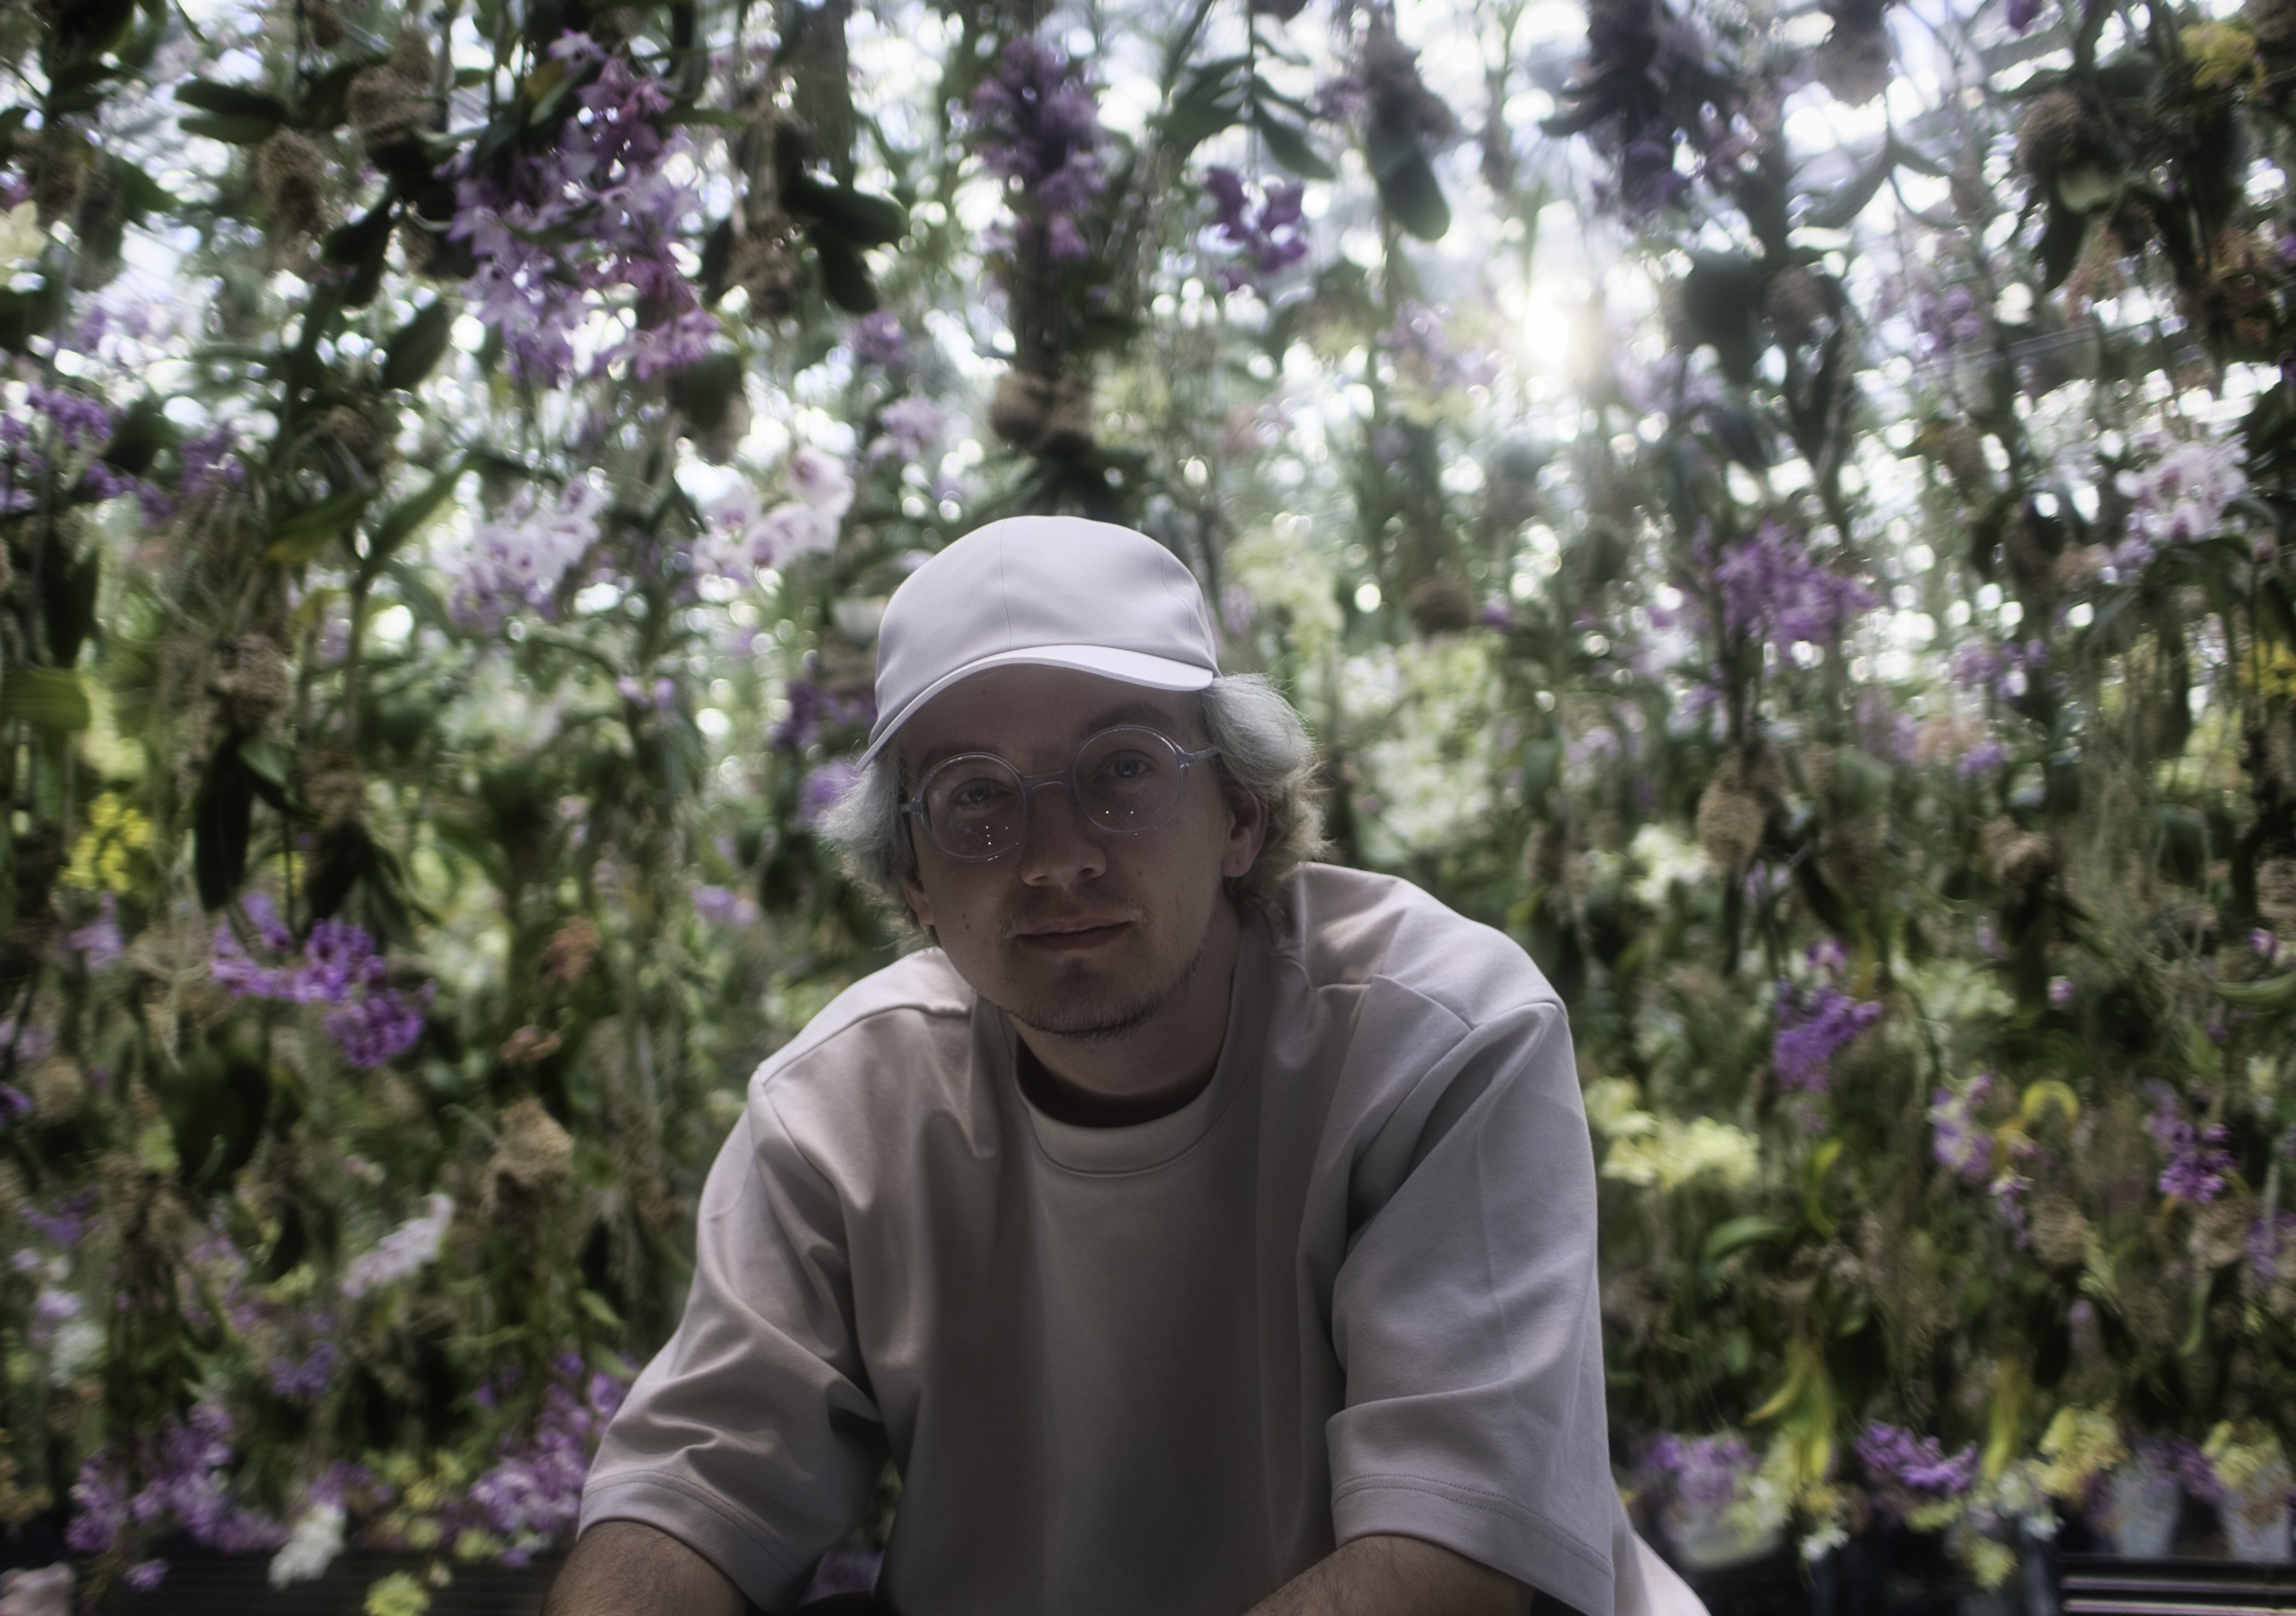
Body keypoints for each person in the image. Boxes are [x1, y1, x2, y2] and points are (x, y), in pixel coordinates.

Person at [546, 517, 1702, 1616]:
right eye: (976, 798)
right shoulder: (839, 1113)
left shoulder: (1435, 1039)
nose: (1057, 859)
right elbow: (686, 1502)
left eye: (1124, 769)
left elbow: (1451, 1571)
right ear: (911, 878)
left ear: (1241, 815)